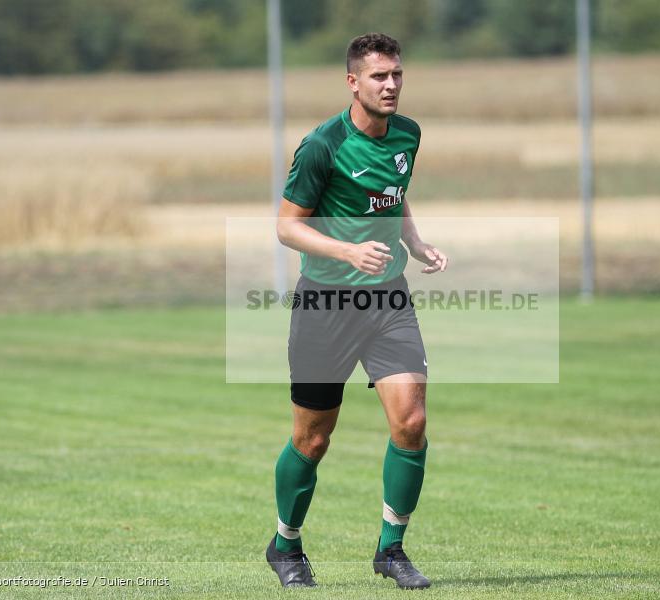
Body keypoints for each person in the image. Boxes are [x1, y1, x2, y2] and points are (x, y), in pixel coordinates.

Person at [265, 33, 447, 589]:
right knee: (313, 439)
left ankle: (392, 549)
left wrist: (413, 242)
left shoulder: (408, 134)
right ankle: (285, 544)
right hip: (326, 304)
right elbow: (287, 227)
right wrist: (346, 251)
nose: (390, 85)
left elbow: (394, 193)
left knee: (411, 421)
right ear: (352, 82)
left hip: (388, 298)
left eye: (396, 74)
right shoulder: (323, 145)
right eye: (378, 76)